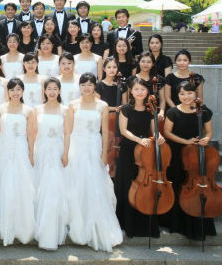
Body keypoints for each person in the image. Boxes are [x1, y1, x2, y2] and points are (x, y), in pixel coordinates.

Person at [63, 72, 123, 252]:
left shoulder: (102, 106)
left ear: (94, 86)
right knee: (76, 184)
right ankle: (76, 224)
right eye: (83, 85)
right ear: (79, 87)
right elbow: (68, 131)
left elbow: (104, 132)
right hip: (77, 146)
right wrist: (66, 152)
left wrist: (104, 153)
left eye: (90, 84)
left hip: (94, 146)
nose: (86, 88)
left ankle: (96, 224)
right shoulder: (72, 105)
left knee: (95, 185)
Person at [162, 81, 216, 240]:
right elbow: (167, 133)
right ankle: (177, 223)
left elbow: (209, 132)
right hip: (177, 153)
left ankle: (198, 223)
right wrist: (186, 142)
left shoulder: (204, 112)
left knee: (198, 187)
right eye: (182, 94)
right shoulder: (172, 112)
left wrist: (206, 139)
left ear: (195, 94)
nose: (186, 97)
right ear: (178, 95)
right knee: (178, 184)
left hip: (197, 154)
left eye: (189, 93)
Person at [114, 77, 162, 238]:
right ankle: (126, 223)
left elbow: (154, 130)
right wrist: (138, 139)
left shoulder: (151, 110)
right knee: (127, 185)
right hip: (128, 150)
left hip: (145, 152)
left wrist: (158, 136)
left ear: (147, 91)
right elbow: (123, 131)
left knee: (143, 186)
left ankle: (143, 223)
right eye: (136, 89)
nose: (140, 92)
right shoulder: (126, 109)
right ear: (131, 91)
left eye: (142, 89)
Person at [0, 77, 36, 245]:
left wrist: (31, 153)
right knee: (4, 185)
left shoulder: (28, 111)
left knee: (21, 185)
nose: (15, 93)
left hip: (20, 150)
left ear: (23, 91)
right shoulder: (0, 109)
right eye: (12, 90)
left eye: (18, 89)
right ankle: (5, 226)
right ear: (7, 92)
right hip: (4, 149)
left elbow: (31, 134)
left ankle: (21, 226)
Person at [34, 77, 68, 250]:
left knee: (54, 189)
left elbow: (68, 134)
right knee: (40, 187)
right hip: (41, 150)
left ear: (59, 91)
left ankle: (52, 232)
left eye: (55, 88)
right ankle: (38, 227)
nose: (52, 92)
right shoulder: (37, 109)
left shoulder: (65, 110)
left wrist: (66, 153)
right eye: (49, 89)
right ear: (45, 91)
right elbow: (33, 133)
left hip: (57, 151)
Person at [127, 52, 166, 121]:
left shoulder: (159, 79)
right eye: (143, 61)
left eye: (149, 62)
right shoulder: (131, 79)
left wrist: (161, 112)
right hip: (135, 112)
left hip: (154, 113)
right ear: (138, 62)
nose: (145, 64)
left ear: (153, 64)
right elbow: (129, 99)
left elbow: (162, 100)